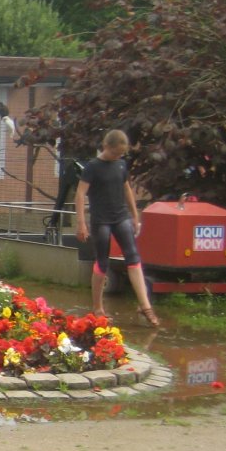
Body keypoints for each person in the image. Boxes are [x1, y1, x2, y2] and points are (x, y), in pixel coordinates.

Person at [75, 129, 161, 326]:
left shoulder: (121, 165)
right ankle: (98, 307)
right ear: (106, 146)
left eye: (121, 154)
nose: (118, 156)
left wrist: (135, 215)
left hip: (120, 216)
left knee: (133, 257)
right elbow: (80, 194)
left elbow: (126, 189)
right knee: (102, 262)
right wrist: (81, 223)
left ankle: (145, 306)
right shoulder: (92, 167)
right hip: (101, 220)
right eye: (115, 153)